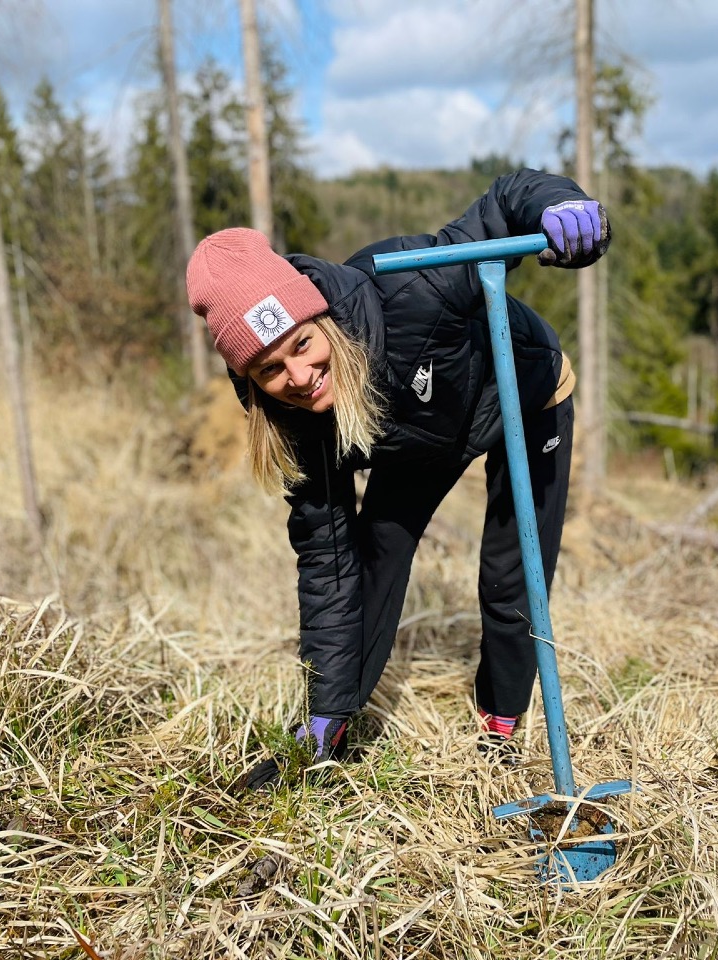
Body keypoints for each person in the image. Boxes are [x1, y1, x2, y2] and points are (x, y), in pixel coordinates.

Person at [186, 168, 611, 790]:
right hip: (418, 437)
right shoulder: (296, 423)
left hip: (522, 394)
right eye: (271, 370)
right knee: (376, 553)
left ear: (319, 319)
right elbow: (329, 569)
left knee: (510, 568)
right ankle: (330, 728)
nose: (299, 376)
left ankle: (500, 726)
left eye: (302, 344)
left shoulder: (415, 285)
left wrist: (562, 208)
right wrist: (326, 708)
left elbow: (503, 202)